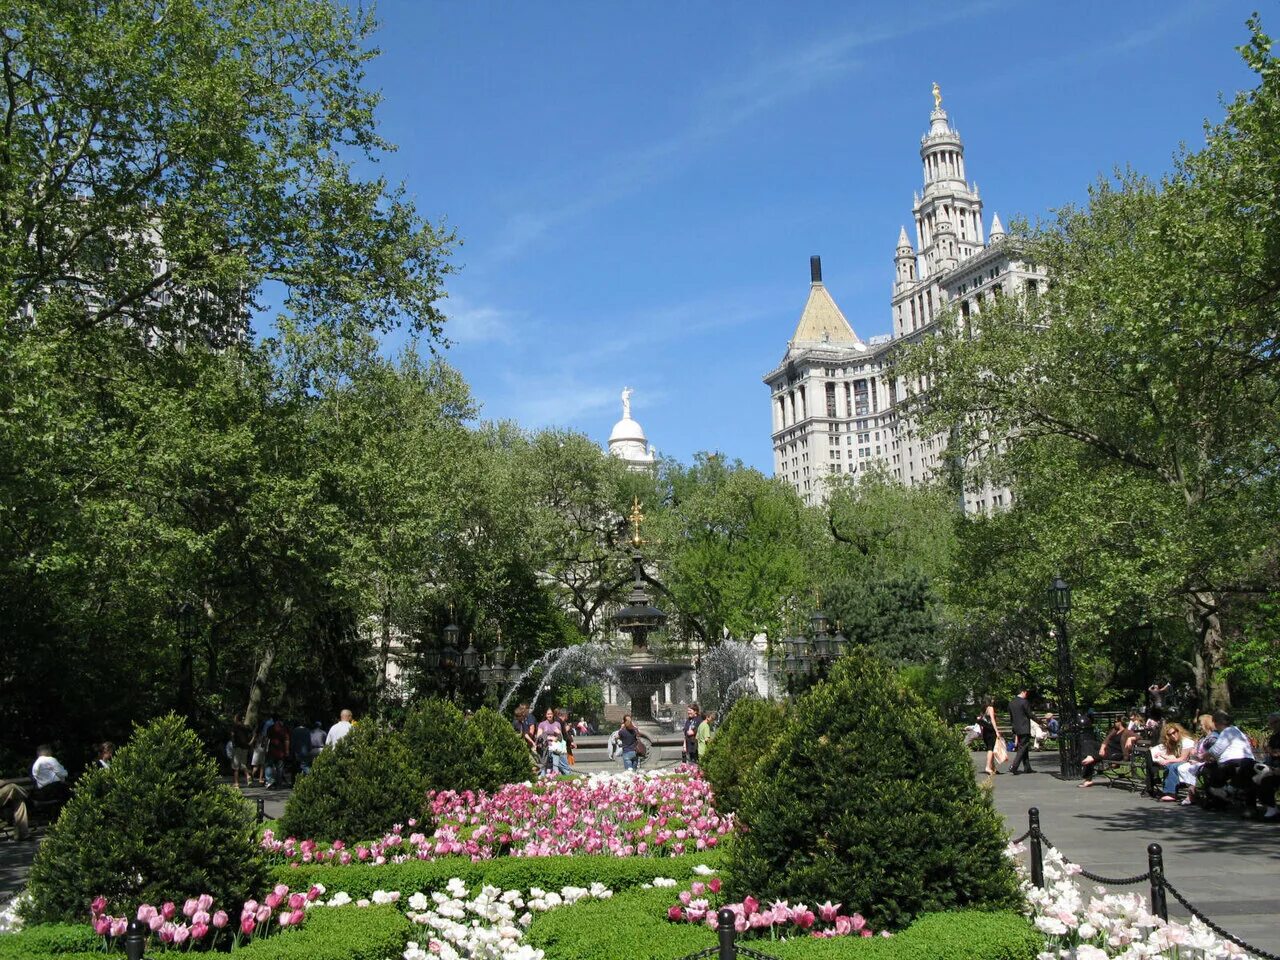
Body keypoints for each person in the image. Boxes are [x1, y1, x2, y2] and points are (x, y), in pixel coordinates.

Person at [1203, 710, 1255, 806]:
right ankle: (1227, 793)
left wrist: (1204, 756)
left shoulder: (1228, 731)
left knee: (1210, 771)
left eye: (1215, 723)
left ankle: (1220, 798)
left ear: (1217, 723)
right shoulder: (1237, 731)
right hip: (1247, 761)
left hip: (1234, 762)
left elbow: (1216, 750)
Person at [1151, 722, 1196, 801]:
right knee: (1168, 766)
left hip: (1192, 762)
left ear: (1178, 731)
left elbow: (1183, 759)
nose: (1172, 735)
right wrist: (1161, 755)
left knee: (1172, 766)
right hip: (1183, 762)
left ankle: (1171, 793)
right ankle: (1169, 792)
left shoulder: (1186, 741)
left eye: (1174, 733)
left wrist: (1168, 760)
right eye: (1169, 734)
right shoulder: (1175, 742)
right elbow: (1174, 756)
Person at [1079, 718, 1129, 787]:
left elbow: (1138, 737)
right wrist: (1102, 747)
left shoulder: (1127, 732)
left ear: (1120, 722)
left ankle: (1088, 779)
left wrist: (1131, 738)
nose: (1114, 722)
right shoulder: (1114, 730)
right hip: (1107, 749)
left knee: (1092, 758)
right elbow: (1106, 739)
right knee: (1089, 742)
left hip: (1115, 753)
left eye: (1116, 721)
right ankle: (1090, 756)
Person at [1254, 712, 1279, 821]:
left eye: (1274, 723)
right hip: (1273, 766)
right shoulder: (1274, 737)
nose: (1272, 726)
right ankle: (1270, 807)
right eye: (1270, 724)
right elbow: (1272, 753)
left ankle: (1272, 809)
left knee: (1266, 778)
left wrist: (1273, 752)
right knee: (1255, 775)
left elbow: (1276, 753)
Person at [1006, 688, 1034, 774]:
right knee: (1022, 747)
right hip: (1024, 728)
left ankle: (1027, 767)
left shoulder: (1011, 703)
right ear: (1023, 692)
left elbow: (1011, 717)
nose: (1026, 694)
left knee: (1024, 747)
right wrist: (1040, 722)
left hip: (1016, 728)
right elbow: (1030, 714)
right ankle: (1014, 766)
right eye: (1026, 693)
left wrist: (1013, 727)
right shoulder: (1024, 702)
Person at [977, 698, 1002, 776]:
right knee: (991, 749)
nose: (993, 701)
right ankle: (988, 767)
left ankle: (993, 767)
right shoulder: (990, 708)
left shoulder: (983, 710)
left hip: (985, 731)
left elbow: (979, 720)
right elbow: (993, 720)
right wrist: (997, 731)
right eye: (992, 699)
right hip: (991, 731)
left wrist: (981, 732)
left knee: (990, 748)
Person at [230, 715, 254, 789]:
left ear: (236, 719)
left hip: (237, 747)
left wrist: (233, 743)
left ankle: (236, 783)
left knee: (236, 766)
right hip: (245, 747)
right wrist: (250, 742)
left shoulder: (234, 727)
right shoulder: (246, 727)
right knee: (243, 764)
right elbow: (252, 732)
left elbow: (232, 736)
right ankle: (248, 777)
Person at [265, 717, 289, 789]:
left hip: (271, 750)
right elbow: (287, 740)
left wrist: (265, 749)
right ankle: (279, 784)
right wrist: (287, 751)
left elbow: (267, 739)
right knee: (280, 768)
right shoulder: (284, 729)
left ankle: (269, 782)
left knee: (269, 766)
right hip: (280, 751)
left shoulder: (270, 728)